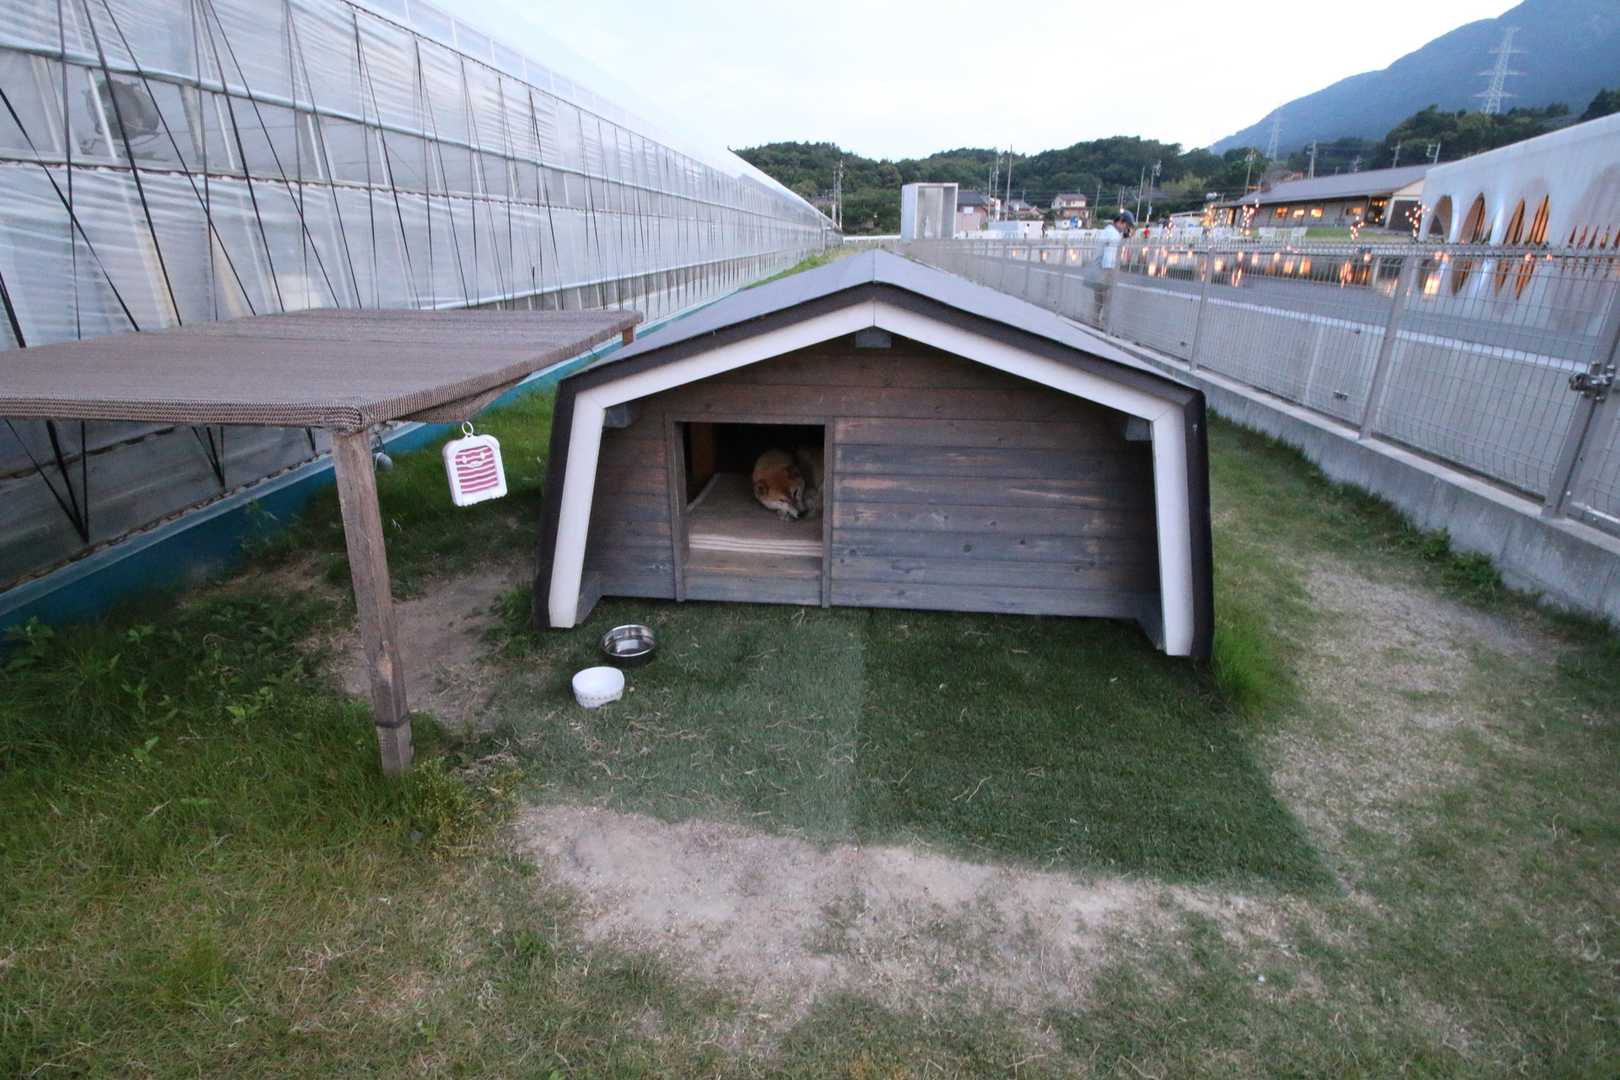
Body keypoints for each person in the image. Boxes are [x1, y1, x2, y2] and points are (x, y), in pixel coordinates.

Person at [1089, 209, 1135, 325]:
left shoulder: (1106, 231)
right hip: (1106, 270)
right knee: (1107, 301)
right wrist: (1110, 274)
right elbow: (1109, 258)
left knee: (1098, 301)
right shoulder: (1114, 235)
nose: (1126, 229)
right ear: (1121, 221)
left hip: (1097, 270)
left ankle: (1094, 323)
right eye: (1126, 226)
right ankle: (1105, 327)